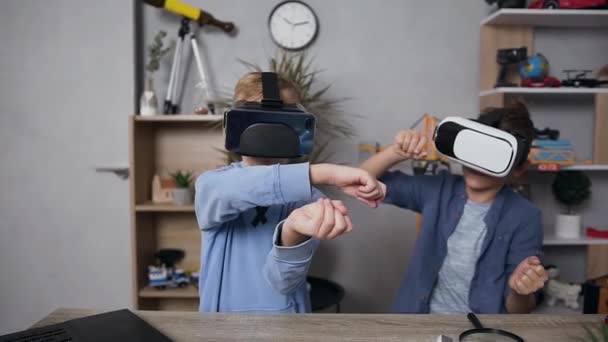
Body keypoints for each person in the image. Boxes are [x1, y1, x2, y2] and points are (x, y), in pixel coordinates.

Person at [195, 72, 385, 313]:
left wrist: (292, 232)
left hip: (285, 326)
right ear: (232, 127)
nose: (267, 137)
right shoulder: (213, 185)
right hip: (220, 327)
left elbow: (282, 281)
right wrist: (325, 173)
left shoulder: (311, 200)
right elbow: (237, 188)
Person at [361, 102, 548, 314]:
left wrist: (520, 290)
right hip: (417, 321)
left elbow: (519, 310)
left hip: (480, 331)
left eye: (493, 155)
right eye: (478, 150)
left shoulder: (526, 217)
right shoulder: (438, 188)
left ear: (519, 168)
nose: (480, 163)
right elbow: (361, 180)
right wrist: (395, 152)